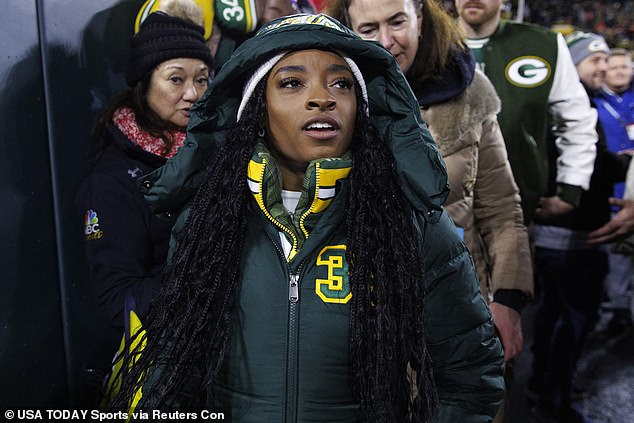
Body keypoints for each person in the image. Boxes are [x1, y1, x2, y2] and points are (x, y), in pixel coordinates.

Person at [107, 13, 504, 421]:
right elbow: (171, 374)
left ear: (359, 109)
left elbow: (469, 377)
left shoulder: (412, 225)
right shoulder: (207, 224)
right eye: (292, 83)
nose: (322, 98)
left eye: (341, 84)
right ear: (257, 110)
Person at [323, 1, 532, 420]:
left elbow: (502, 209)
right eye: (369, 27)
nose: (386, 40)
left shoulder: (471, 93)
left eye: (397, 21)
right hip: (360, 313)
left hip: (460, 310)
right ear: (348, 28)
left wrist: (507, 300)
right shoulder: (327, 97)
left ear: (420, 14)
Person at [76, 11, 213, 327]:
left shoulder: (221, 150)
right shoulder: (111, 181)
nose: (192, 93)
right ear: (145, 83)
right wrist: (207, 279)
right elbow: (118, 300)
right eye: (176, 79)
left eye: (202, 79)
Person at [528, 31, 623, 423]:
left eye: (606, 60)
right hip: (574, 236)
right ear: (573, 63)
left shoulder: (563, 101)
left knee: (552, 315)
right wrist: (627, 164)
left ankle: (542, 385)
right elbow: (594, 166)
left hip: (555, 234)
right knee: (574, 320)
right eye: (594, 61)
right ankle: (555, 398)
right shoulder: (575, 103)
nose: (602, 68)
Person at [455, 0, 598, 225]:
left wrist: (572, 185)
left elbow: (576, 120)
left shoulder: (543, 44)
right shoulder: (425, 42)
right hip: (440, 215)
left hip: (518, 210)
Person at [593, 47, 634, 335]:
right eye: (615, 66)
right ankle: (617, 310)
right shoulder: (590, 102)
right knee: (615, 257)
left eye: (625, 66)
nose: (620, 71)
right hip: (612, 191)